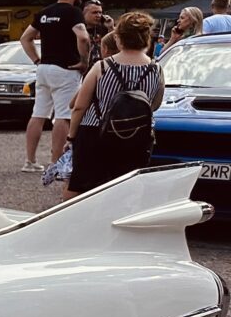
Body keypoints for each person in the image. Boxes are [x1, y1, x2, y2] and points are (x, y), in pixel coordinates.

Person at [65, 10, 162, 196]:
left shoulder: (102, 66)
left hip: (95, 132)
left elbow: (79, 106)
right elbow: (154, 104)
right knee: (125, 190)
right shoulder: (156, 69)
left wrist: (71, 137)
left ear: (119, 38)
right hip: (136, 134)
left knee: (80, 187)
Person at [19, 0, 89, 172]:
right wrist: (84, 61)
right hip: (66, 69)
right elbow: (83, 37)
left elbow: (25, 38)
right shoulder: (73, 13)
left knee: (38, 114)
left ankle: (30, 161)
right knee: (63, 116)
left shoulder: (44, 13)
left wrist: (36, 60)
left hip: (44, 68)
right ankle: (56, 163)